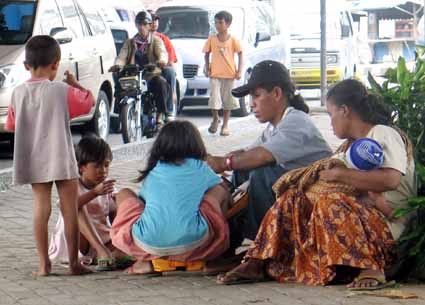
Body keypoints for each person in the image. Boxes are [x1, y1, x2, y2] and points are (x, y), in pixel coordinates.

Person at [217, 79, 417, 290]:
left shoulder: (383, 133)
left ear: (345, 110)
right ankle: (258, 261)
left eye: (331, 115)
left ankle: (370, 268)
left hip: (389, 225)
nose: (330, 123)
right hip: (362, 220)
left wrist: (340, 175)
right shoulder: (347, 147)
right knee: (293, 198)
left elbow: (390, 180)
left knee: (332, 203)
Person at [207, 60, 332, 241]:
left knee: (261, 174)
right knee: (241, 171)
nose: (252, 104)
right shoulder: (274, 127)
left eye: (256, 96)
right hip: (293, 195)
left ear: (276, 93)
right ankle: (229, 239)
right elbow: (247, 153)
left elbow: (262, 156)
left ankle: (259, 249)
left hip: (313, 200)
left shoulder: (296, 121)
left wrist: (223, 163)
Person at [4, 35, 94, 276]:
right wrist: (75, 83)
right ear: (56, 64)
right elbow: (88, 103)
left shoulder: (18, 93)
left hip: (33, 157)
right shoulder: (61, 90)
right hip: (61, 155)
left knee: (40, 208)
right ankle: (74, 264)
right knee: (69, 208)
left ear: (26, 66)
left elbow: (11, 125)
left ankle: (44, 264)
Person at [110, 121, 231, 274]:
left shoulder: (155, 171)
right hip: (196, 243)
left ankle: (143, 262)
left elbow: (144, 203)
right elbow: (223, 187)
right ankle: (216, 258)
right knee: (220, 190)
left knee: (124, 193)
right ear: (195, 144)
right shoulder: (201, 167)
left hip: (147, 243)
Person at [49, 136, 118, 271]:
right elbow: (66, 207)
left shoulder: (107, 187)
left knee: (123, 200)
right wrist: (94, 193)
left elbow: (114, 215)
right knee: (76, 207)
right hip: (78, 241)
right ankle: (101, 252)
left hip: (101, 237)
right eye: (97, 166)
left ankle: (104, 255)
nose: (103, 171)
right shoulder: (73, 185)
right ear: (82, 168)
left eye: (106, 165)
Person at [109, 11, 169, 125]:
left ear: (149, 26)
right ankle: (118, 111)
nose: (142, 27)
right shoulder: (130, 42)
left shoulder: (156, 41)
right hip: (133, 75)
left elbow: (162, 53)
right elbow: (122, 56)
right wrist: (118, 65)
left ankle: (160, 115)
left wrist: (161, 61)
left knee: (161, 83)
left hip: (150, 75)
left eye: (144, 24)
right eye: (139, 24)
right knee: (118, 78)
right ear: (136, 25)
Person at [203, 10, 243, 136]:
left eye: (220, 22)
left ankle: (225, 125)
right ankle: (215, 118)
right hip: (215, 74)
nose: (217, 25)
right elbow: (206, 53)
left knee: (227, 101)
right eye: (216, 23)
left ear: (228, 24)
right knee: (214, 98)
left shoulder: (233, 40)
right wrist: (207, 67)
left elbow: (240, 54)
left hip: (229, 74)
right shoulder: (212, 39)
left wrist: (239, 70)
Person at [149, 10, 177, 119]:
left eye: (156, 20)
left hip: (160, 71)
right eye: (151, 20)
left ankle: (169, 111)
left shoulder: (163, 39)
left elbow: (170, 62)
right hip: (144, 72)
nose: (154, 22)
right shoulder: (135, 39)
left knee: (169, 71)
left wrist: (173, 91)